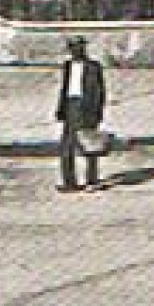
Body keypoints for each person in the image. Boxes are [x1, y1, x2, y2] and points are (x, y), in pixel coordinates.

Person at [54, 36, 109, 192]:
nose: (75, 50)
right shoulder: (68, 66)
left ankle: (92, 180)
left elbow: (100, 92)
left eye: (78, 47)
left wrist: (97, 112)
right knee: (67, 146)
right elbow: (64, 89)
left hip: (87, 108)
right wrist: (61, 109)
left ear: (84, 48)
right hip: (71, 106)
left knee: (90, 145)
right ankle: (69, 182)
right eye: (72, 47)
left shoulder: (94, 67)